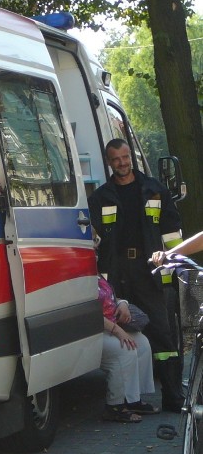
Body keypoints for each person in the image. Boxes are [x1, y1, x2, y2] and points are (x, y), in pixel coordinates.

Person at [88, 138, 184, 412]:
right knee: (125, 333)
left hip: (148, 271)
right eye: (116, 159)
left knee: (162, 335)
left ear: (132, 157)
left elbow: (172, 233)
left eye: (125, 157)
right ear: (109, 162)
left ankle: (173, 396)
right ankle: (132, 400)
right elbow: (93, 236)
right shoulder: (101, 197)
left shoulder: (155, 190)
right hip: (117, 274)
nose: (122, 163)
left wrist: (174, 263)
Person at [98, 274, 157, 422]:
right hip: (93, 331)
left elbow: (111, 299)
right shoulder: (81, 279)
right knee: (124, 349)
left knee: (142, 344)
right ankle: (114, 407)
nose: (97, 250)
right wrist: (118, 331)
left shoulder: (97, 275)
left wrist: (123, 303)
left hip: (111, 327)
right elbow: (88, 312)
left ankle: (133, 400)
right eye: (94, 249)